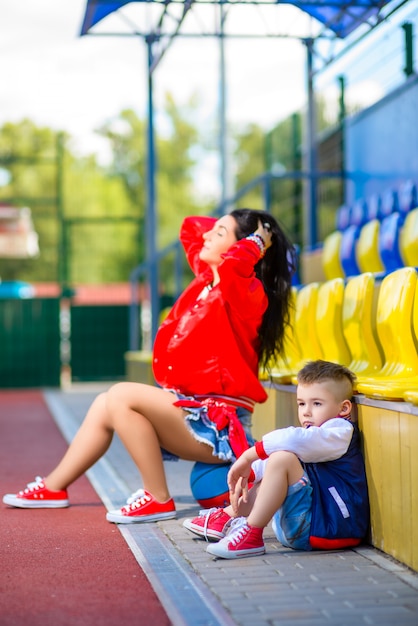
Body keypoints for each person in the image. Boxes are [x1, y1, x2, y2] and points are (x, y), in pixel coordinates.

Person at [3, 209, 296, 523]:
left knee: (120, 396)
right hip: (192, 412)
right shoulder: (206, 283)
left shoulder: (246, 294)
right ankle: (53, 488)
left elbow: (237, 266)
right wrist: (230, 229)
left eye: (220, 234)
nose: (207, 236)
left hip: (218, 425)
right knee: (105, 404)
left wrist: (256, 241)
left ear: (246, 250)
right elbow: (190, 228)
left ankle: (157, 498)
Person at [183, 360, 370, 559]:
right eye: (301, 403)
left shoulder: (340, 432)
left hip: (333, 526)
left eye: (317, 403)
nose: (306, 411)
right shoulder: (311, 435)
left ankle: (251, 533)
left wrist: (248, 457)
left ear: (344, 408)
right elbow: (288, 446)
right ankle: (230, 516)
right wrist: (251, 473)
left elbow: (292, 439)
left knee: (282, 458)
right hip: (308, 525)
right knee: (276, 460)